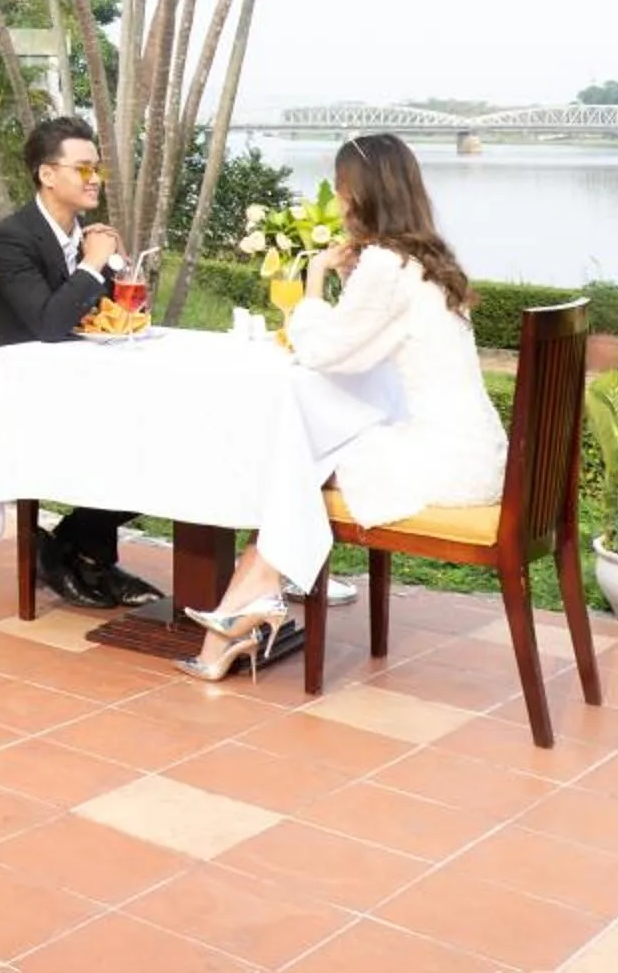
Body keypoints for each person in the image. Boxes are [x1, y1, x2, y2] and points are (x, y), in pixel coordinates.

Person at [178, 131, 507, 681]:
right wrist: (354, 281)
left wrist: (315, 278)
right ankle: (249, 606)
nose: (338, 198)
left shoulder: (387, 265)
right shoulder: (425, 262)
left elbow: (321, 351)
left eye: (340, 187)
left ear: (358, 193)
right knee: (306, 457)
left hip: (442, 464)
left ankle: (245, 610)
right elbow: (371, 349)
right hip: (475, 452)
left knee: (297, 459)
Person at [0, 114, 160, 610]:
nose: (94, 179)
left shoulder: (88, 237)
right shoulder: (12, 239)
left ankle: (72, 550)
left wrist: (119, 271)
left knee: (157, 435)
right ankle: (76, 556)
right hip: (0, 402)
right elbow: (49, 323)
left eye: (97, 170)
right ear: (48, 175)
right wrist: (91, 265)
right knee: (126, 441)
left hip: (62, 389)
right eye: (83, 168)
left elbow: (108, 315)